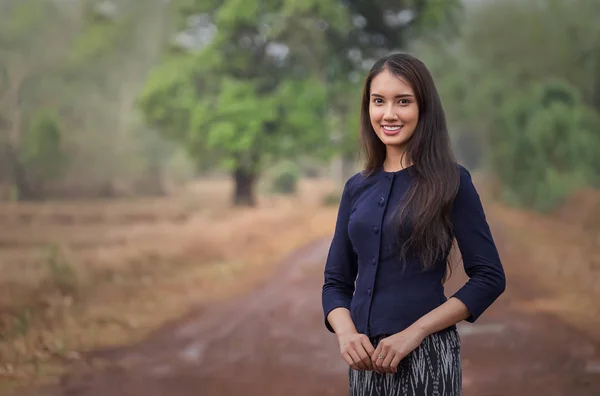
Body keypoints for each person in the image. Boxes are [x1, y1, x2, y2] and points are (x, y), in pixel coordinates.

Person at [321, 52, 506, 396]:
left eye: (402, 101)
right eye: (379, 101)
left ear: (423, 108)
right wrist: (346, 334)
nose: (389, 114)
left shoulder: (451, 181)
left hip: (428, 359)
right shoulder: (356, 188)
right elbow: (335, 282)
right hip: (365, 365)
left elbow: (489, 277)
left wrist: (415, 332)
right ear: (368, 108)